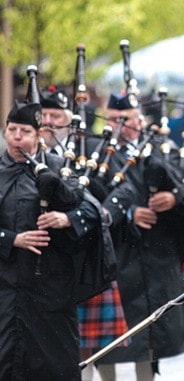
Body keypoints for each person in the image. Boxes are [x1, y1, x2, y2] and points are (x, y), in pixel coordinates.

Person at [95, 93, 184, 381]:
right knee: (112, 341)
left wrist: (174, 198)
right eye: (114, 119)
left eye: (126, 119)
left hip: (156, 258)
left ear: (140, 121)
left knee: (151, 337)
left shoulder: (160, 150)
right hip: (118, 257)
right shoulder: (96, 156)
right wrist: (128, 214)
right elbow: (90, 200)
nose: (119, 125)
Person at [40, 87, 129, 381]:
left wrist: (102, 214)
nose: (49, 121)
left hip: (87, 257)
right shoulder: (28, 152)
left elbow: (125, 189)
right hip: (42, 260)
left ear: (70, 119)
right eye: (45, 115)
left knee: (96, 349)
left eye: (56, 115)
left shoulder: (93, 147)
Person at [0, 100, 91, 380]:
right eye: (11, 129)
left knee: (54, 367)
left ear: (39, 136)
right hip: (5, 288)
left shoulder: (59, 166)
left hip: (50, 291)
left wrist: (67, 219)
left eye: (25, 131)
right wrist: (12, 239)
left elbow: (90, 209)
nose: (17, 136)